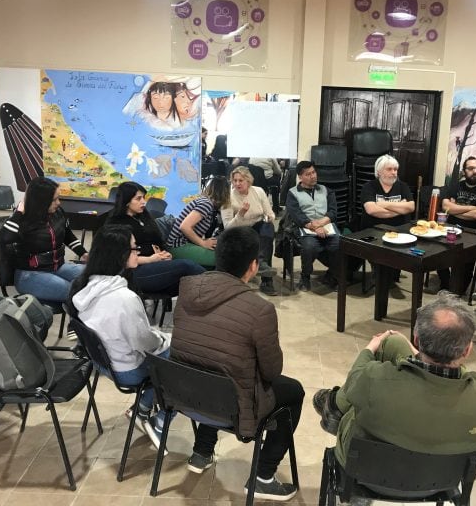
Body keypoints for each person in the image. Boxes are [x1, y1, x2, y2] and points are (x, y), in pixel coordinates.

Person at [171, 227, 305, 501]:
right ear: (253, 265)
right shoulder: (259, 310)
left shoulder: (186, 289)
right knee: (294, 391)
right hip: (231, 403)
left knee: (214, 366)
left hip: (185, 393)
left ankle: (202, 451)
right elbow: (271, 372)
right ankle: (264, 475)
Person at [313, 294, 476, 470]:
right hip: (439, 480)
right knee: (393, 344)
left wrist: (370, 348)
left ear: (416, 339)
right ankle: (335, 408)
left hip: (367, 471)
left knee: (359, 400)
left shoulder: (377, 380)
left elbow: (356, 378)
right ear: (467, 350)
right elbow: (457, 373)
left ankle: (334, 408)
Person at [69, 225, 173, 452]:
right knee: (183, 360)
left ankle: (142, 408)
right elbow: (144, 343)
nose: (138, 251)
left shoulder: (85, 286)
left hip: (105, 363)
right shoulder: (123, 298)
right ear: (119, 255)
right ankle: (160, 421)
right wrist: (166, 340)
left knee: (169, 349)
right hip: (127, 369)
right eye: (134, 248)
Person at [106, 182, 204, 295]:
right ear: (126, 201)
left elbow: (158, 242)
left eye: (144, 198)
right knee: (186, 266)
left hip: (154, 266)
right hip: (133, 272)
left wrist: (165, 254)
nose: (143, 202)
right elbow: (120, 259)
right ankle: (221, 287)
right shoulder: (116, 223)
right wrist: (151, 259)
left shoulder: (144, 217)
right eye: (138, 199)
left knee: (190, 283)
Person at [0, 177, 87, 303]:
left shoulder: (57, 212)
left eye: (58, 198)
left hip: (57, 267)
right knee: (77, 293)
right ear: (41, 201)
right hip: (30, 275)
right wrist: (18, 213)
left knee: (96, 278)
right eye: (54, 200)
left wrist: (83, 253)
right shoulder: (22, 219)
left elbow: (67, 234)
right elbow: (4, 239)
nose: (59, 203)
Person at [438, 157, 476, 290]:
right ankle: (445, 284)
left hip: (473, 232)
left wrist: (455, 209)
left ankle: (456, 288)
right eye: (470, 168)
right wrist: (471, 208)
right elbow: (446, 207)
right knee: (438, 253)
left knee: (461, 284)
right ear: (464, 171)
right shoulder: (454, 186)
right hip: (450, 228)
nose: (475, 171)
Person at [220, 166, 278, 296]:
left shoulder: (258, 191)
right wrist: (240, 214)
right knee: (257, 237)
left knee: (268, 228)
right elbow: (227, 227)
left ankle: (265, 275)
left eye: (241, 180)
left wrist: (269, 218)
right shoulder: (228, 196)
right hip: (239, 231)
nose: (237, 183)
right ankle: (261, 268)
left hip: (257, 226)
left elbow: (270, 213)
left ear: (248, 181)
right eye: (235, 180)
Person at [285, 160, 340, 292]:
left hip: (326, 225)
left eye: (314, 172)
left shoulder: (326, 190)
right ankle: (305, 276)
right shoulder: (292, 193)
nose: (313, 176)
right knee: (310, 247)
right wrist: (314, 227)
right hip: (305, 227)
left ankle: (332, 275)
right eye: (308, 174)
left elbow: (333, 211)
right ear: (300, 176)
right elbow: (296, 215)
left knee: (339, 245)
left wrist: (321, 223)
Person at [165, 176, 229, 268]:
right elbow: (184, 227)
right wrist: (202, 243)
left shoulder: (205, 202)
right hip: (178, 245)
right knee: (221, 259)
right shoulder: (206, 204)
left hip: (184, 243)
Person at [359, 154, 414, 229]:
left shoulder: (403, 186)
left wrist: (383, 204)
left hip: (400, 231)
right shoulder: (368, 187)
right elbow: (372, 210)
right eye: (389, 169)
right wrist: (400, 209)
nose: (393, 172)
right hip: (374, 231)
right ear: (379, 172)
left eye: (395, 169)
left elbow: (411, 207)